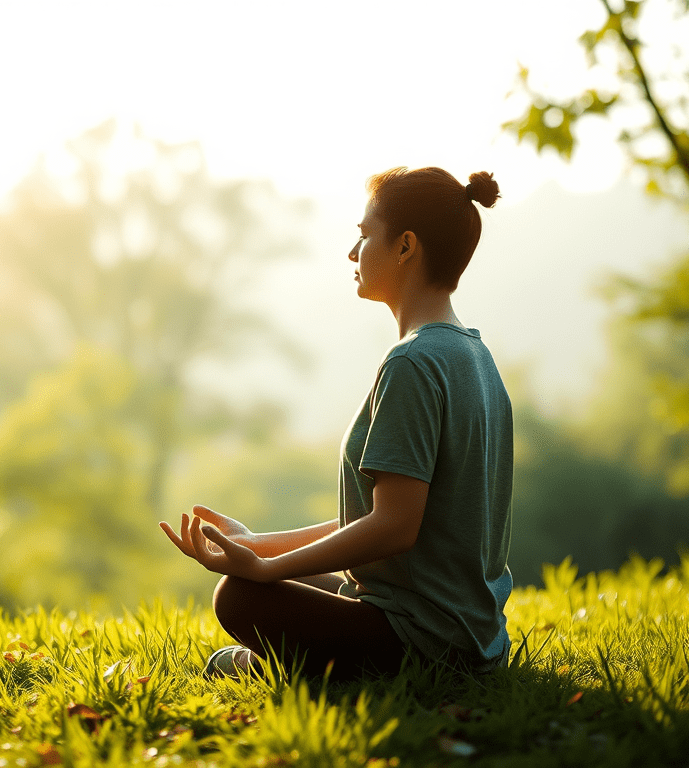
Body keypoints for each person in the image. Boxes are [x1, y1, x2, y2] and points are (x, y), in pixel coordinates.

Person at [160, 167, 513, 681]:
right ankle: (296, 663)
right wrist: (258, 544)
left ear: (405, 246)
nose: (353, 253)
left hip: (425, 641)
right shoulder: (473, 355)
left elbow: (394, 527)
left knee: (237, 596)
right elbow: (382, 517)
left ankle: (295, 670)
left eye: (365, 235)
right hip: (472, 634)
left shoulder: (413, 363)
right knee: (284, 584)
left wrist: (264, 570)